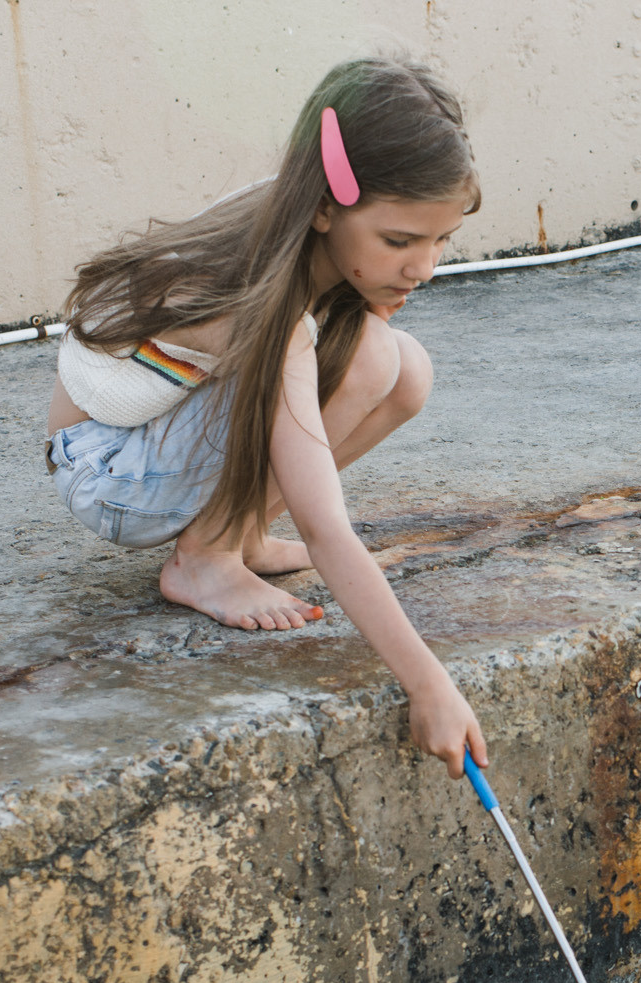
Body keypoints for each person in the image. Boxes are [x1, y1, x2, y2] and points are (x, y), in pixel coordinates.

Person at [45, 53, 487, 767]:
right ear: (325, 208)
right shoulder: (267, 305)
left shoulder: (300, 228)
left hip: (154, 444)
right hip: (109, 470)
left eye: (441, 239)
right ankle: (205, 556)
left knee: (403, 369)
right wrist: (428, 684)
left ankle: (240, 532)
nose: (424, 267)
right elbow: (325, 527)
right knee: (362, 355)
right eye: (399, 242)